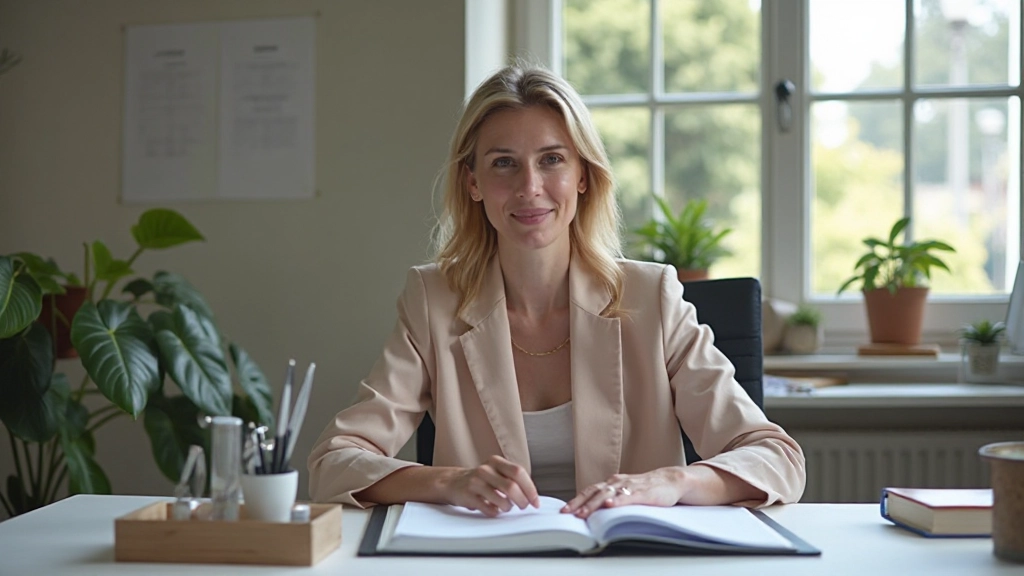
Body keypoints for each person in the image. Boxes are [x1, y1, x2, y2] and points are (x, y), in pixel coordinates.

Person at [308, 63, 805, 519]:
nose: (530, 187)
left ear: (583, 175)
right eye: (504, 163)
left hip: (632, 561)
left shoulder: (651, 295)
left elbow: (777, 458)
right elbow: (334, 462)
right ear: (473, 182)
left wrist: (672, 481)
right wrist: (448, 482)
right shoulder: (433, 299)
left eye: (551, 160)